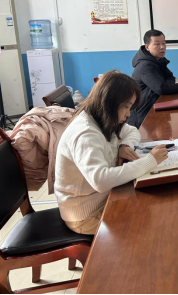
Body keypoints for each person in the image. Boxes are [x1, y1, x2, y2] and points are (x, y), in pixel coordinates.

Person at [54, 71, 169, 235]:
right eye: (126, 107)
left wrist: (124, 145)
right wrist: (149, 161)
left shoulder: (103, 118)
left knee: (155, 207)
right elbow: (100, 180)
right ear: (110, 102)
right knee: (153, 224)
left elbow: (132, 131)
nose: (128, 114)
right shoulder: (86, 133)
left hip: (103, 199)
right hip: (86, 216)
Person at [128, 30, 178, 127]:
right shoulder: (145, 66)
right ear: (147, 47)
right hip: (142, 117)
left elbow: (170, 77)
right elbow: (161, 89)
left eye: (164, 43)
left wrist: (166, 85)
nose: (162, 47)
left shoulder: (158, 61)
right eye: (157, 44)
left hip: (156, 106)